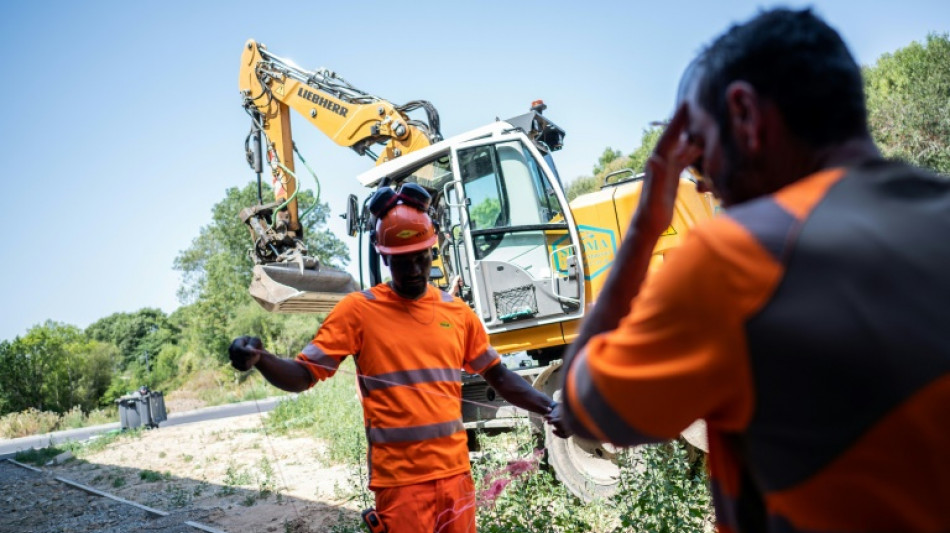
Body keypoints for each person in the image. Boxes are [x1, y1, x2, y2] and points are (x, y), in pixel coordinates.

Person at [553, 8, 950, 533]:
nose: (703, 184)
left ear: (743, 113)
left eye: (697, 155)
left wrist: (646, 227)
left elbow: (584, 408)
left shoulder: (736, 259)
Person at [230, 183, 565, 533]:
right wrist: (261, 359)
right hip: (400, 487)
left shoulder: (457, 313)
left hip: (455, 479)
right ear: (384, 256)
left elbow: (498, 376)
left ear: (432, 251)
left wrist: (549, 408)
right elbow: (302, 375)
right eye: (402, 261)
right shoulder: (357, 312)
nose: (415, 270)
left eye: (421, 257)